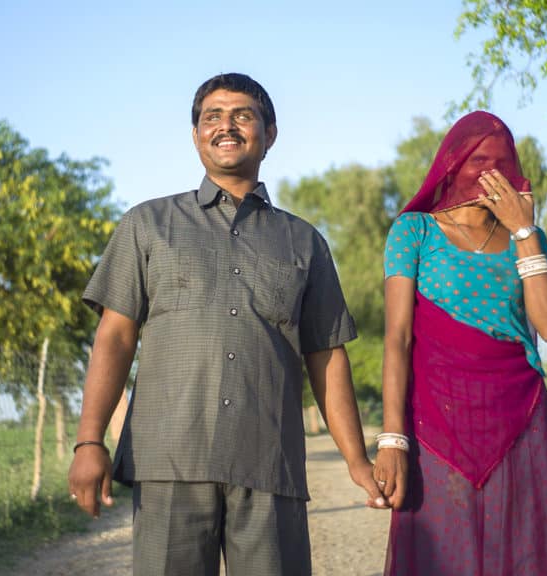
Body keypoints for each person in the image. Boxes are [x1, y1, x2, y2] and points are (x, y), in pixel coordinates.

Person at [67, 72, 386, 576]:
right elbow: (115, 337)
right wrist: (90, 442)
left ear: (270, 133)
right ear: (195, 136)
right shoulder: (147, 225)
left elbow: (326, 357)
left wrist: (357, 460)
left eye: (242, 114)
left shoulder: (305, 243)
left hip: (269, 464)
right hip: (169, 460)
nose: (226, 126)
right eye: (211, 116)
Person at [373, 110, 547, 575]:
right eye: (478, 159)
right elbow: (398, 338)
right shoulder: (414, 232)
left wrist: (524, 233)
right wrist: (391, 439)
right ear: (452, 165)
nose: (491, 172)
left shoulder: (528, 239)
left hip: (519, 417)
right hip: (437, 420)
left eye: (503, 161)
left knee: (520, 549)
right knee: (446, 549)